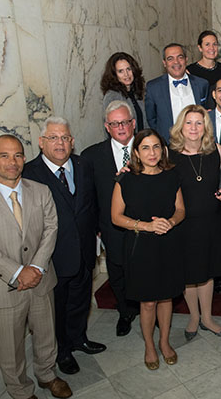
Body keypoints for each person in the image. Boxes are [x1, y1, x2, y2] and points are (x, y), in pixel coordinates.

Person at [0, 118, 107, 375]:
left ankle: (79, 338)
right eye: (53, 138)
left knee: (80, 301)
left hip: (83, 250)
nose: (60, 143)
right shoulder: (27, 171)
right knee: (54, 311)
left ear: (72, 142)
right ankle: (62, 353)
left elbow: (92, 202)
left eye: (65, 138)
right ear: (41, 142)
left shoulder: (84, 165)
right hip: (51, 259)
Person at [0, 134, 72, 399]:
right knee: (10, 347)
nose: (12, 162)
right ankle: (20, 390)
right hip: (4, 287)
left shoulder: (40, 191)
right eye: (4, 155)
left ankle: (47, 374)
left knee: (46, 334)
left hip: (42, 279)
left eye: (18, 155)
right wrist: (17, 272)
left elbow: (51, 229)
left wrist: (35, 267)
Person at [111, 129, 185, 370]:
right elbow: (116, 217)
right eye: (145, 147)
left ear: (163, 150)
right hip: (140, 246)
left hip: (168, 243)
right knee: (148, 302)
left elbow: (180, 210)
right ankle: (149, 346)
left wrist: (170, 223)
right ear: (136, 152)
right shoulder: (125, 180)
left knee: (166, 298)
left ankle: (164, 342)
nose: (151, 153)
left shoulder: (171, 176)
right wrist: (147, 226)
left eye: (156, 147)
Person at [168, 105, 221, 341]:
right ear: (180, 126)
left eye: (198, 123)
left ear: (205, 127)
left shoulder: (216, 149)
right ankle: (194, 316)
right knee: (188, 272)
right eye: (189, 122)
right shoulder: (169, 155)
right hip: (183, 224)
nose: (194, 128)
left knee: (207, 271)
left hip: (210, 221)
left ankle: (207, 317)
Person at [81, 100, 139, 337]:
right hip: (112, 226)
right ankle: (125, 312)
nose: (121, 128)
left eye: (125, 122)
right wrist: (96, 227)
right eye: (115, 124)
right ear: (107, 127)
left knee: (145, 269)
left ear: (133, 123)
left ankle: (149, 309)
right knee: (117, 270)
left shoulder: (151, 146)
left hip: (147, 224)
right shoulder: (92, 156)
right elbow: (89, 196)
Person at [145, 43, 209, 142]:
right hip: (167, 144)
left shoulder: (202, 84)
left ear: (186, 59)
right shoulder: (153, 87)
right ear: (164, 63)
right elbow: (151, 119)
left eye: (180, 57)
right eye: (170, 59)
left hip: (197, 143)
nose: (176, 62)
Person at [101, 52, 146, 132]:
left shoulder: (135, 92)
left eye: (128, 69)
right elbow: (112, 129)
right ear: (114, 75)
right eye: (121, 71)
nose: (126, 74)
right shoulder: (112, 96)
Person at [187, 30, 221, 109]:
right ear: (200, 48)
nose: (212, 48)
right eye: (207, 44)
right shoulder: (190, 70)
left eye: (214, 44)